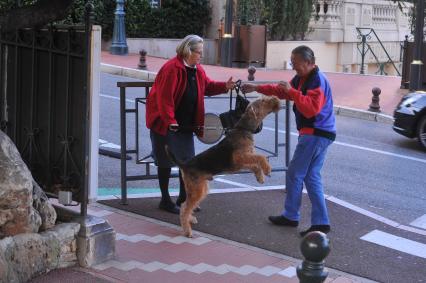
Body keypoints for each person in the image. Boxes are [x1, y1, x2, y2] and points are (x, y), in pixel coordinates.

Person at [241, 45, 336, 237]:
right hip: (320, 133)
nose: (294, 67)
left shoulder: (317, 80)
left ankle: (292, 215)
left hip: (315, 133)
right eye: (292, 63)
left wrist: (292, 92)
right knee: (311, 176)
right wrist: (256, 87)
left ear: (309, 63)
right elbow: (281, 91)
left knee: (294, 173)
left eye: (297, 64)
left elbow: (311, 109)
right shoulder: (304, 77)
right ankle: (321, 221)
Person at [146, 34, 235, 214]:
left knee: (187, 162)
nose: (201, 56)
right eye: (199, 52)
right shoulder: (172, 68)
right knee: (165, 162)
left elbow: (207, 86)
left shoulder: (197, 69)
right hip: (166, 123)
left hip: (186, 124)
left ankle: (184, 198)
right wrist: (170, 120)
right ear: (188, 51)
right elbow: (164, 98)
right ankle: (165, 199)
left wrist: (225, 86)